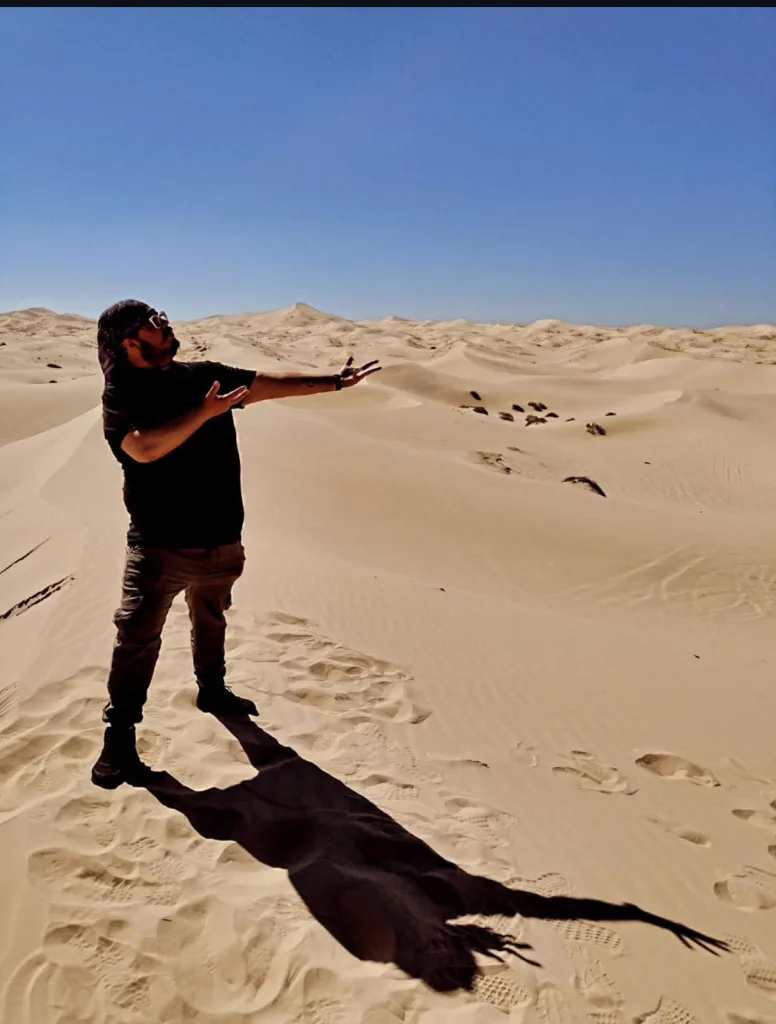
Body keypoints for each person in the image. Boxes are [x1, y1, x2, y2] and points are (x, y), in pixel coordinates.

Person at [92, 299, 380, 789]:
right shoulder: (124, 392)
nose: (167, 327)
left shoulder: (202, 375)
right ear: (129, 341)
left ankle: (213, 690)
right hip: (160, 544)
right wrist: (205, 414)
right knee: (137, 639)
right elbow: (142, 448)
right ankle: (118, 740)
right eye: (155, 325)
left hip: (222, 535)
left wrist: (333, 380)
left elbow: (266, 384)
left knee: (212, 616)